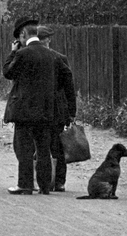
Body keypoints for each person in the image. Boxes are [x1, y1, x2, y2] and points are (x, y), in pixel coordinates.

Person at [3, 17, 57, 195]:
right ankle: (45, 186)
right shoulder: (51, 55)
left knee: (25, 148)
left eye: (20, 37)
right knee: (43, 149)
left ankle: (25, 185)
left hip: (25, 110)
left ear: (24, 34)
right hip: (45, 109)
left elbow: (8, 73)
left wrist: (12, 52)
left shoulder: (22, 54)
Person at [37, 25, 76, 192]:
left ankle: (53, 181)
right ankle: (55, 181)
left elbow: (69, 86)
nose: (44, 41)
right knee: (54, 146)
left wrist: (72, 111)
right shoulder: (59, 58)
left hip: (46, 109)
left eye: (44, 38)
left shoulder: (55, 58)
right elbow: (69, 88)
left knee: (51, 146)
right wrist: (71, 111)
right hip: (52, 108)